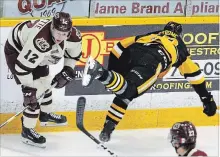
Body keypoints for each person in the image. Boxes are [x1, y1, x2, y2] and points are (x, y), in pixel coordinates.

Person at [82, 21, 217, 143]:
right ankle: (99, 72)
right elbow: (195, 75)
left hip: (132, 52)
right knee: (130, 90)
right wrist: (207, 99)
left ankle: (107, 128)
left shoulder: (151, 35)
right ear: (179, 34)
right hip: (153, 59)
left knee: (125, 94)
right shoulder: (180, 46)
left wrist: (113, 73)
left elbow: (118, 47)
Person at [4, 12, 82, 147]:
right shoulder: (41, 40)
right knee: (35, 90)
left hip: (35, 49)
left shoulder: (74, 36)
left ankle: (45, 115)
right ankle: (27, 130)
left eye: (64, 34)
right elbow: (22, 68)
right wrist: (29, 90)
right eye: (57, 32)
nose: (60, 37)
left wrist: (68, 69)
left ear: (69, 31)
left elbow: (73, 55)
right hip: (17, 49)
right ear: (52, 27)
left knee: (46, 81)